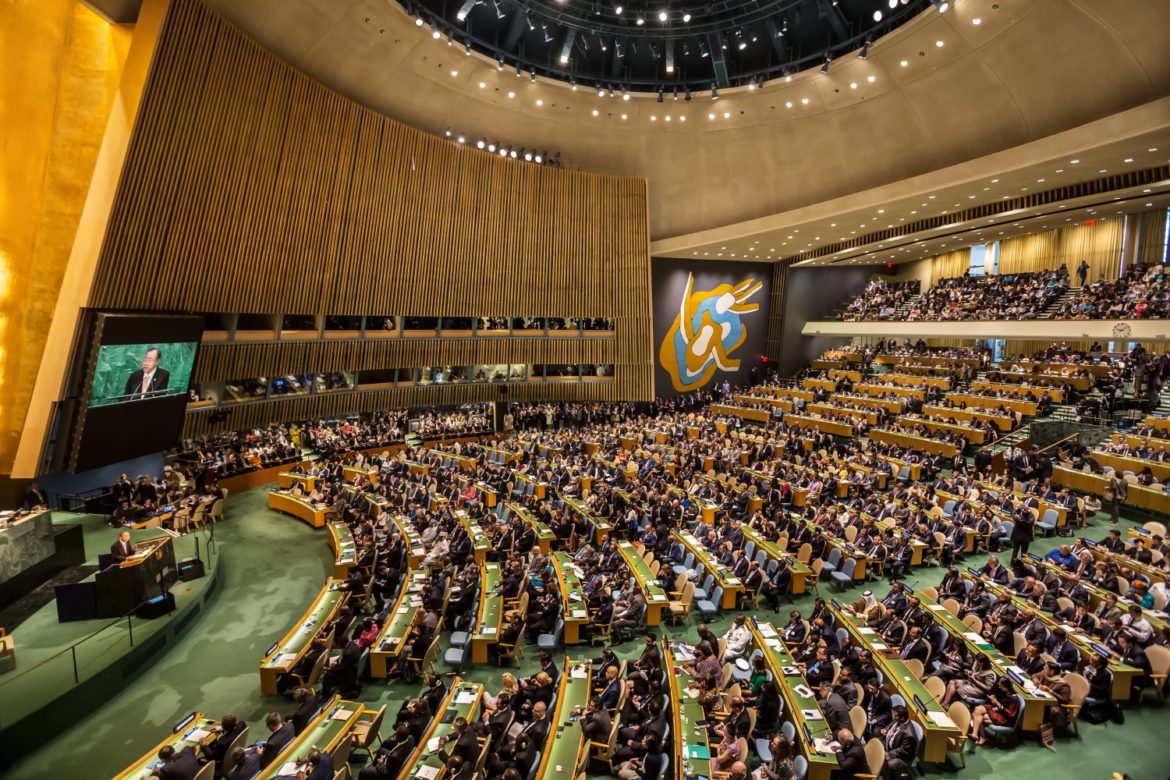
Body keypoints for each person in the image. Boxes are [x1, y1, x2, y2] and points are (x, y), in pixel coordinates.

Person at [881, 705, 918, 780]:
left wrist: (889, 754)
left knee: (890, 763)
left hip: (902, 758)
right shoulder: (899, 719)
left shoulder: (909, 735)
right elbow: (892, 723)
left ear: (902, 718)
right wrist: (887, 729)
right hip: (891, 745)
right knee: (875, 743)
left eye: (895, 716)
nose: (894, 717)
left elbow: (903, 751)